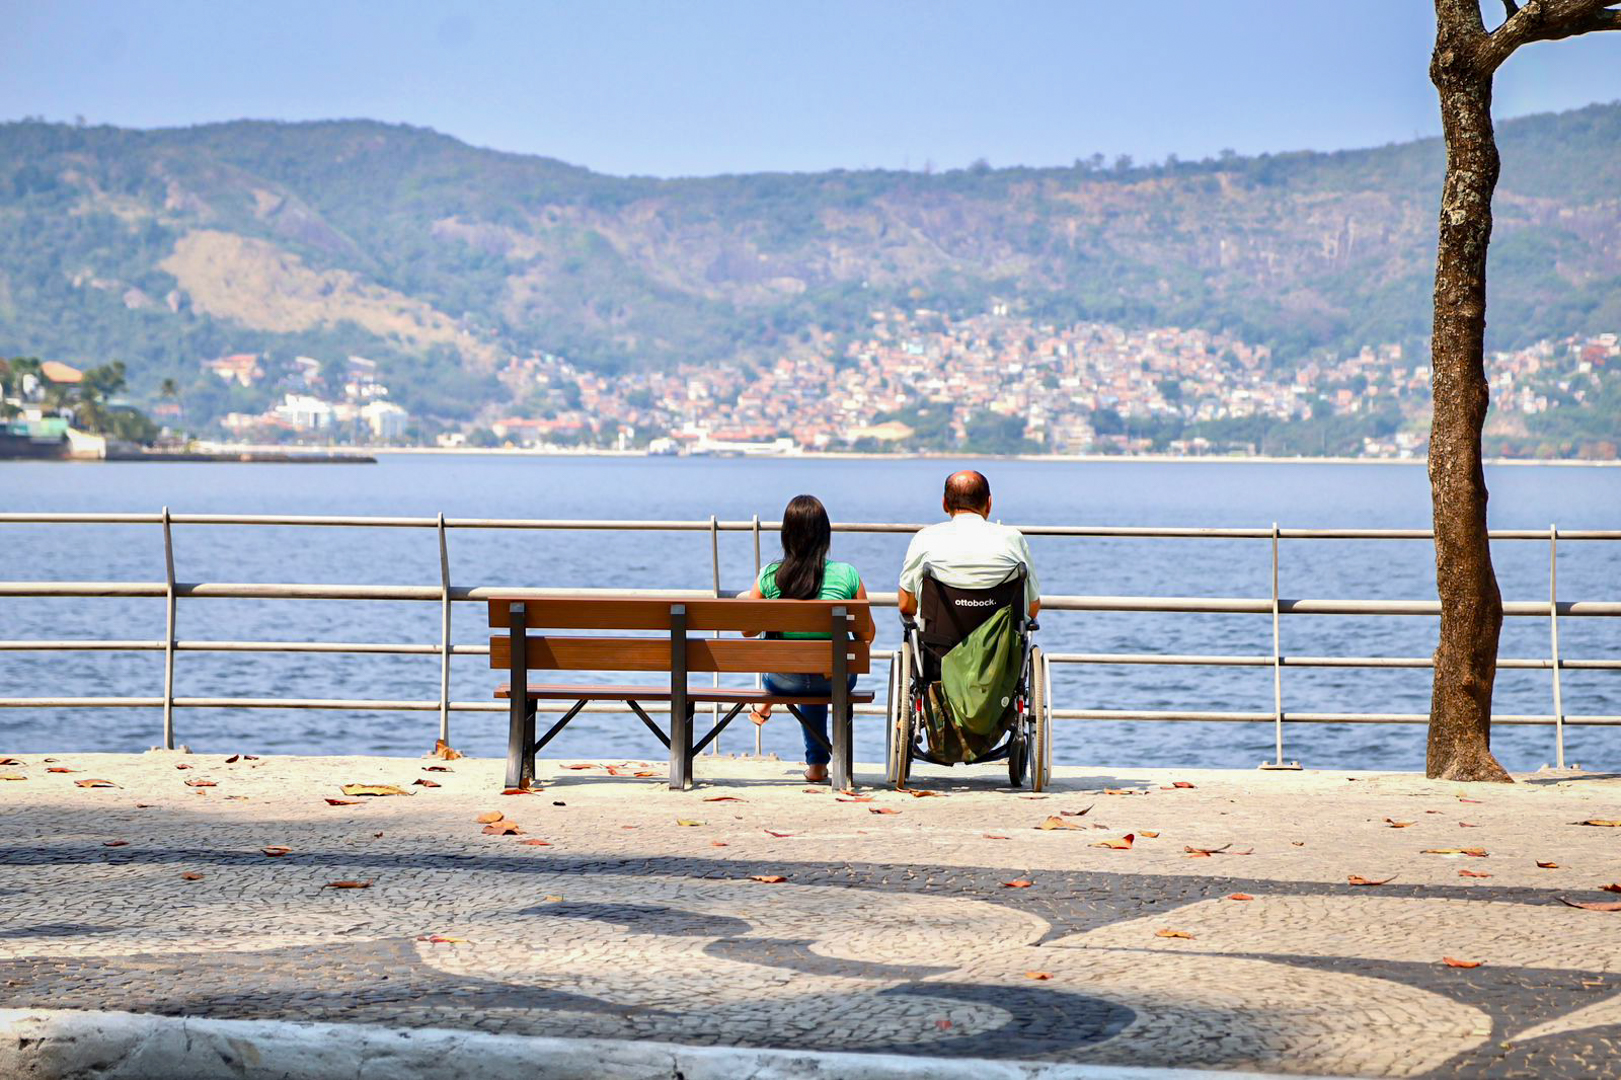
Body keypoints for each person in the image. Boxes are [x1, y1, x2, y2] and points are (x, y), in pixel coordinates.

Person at [742, 494, 874, 783]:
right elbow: (867, 635)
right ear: (825, 534)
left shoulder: (770, 576)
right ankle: (816, 765)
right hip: (835, 678)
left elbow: (747, 630)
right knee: (823, 666)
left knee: (792, 663)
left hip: (783, 680)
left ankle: (769, 699)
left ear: (786, 534)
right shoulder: (847, 575)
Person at [898, 470, 1041, 624]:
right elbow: (1032, 608)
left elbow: (906, 605)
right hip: (1001, 639)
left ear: (944, 504)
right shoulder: (1012, 538)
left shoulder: (925, 537)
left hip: (937, 639)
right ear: (989, 503)